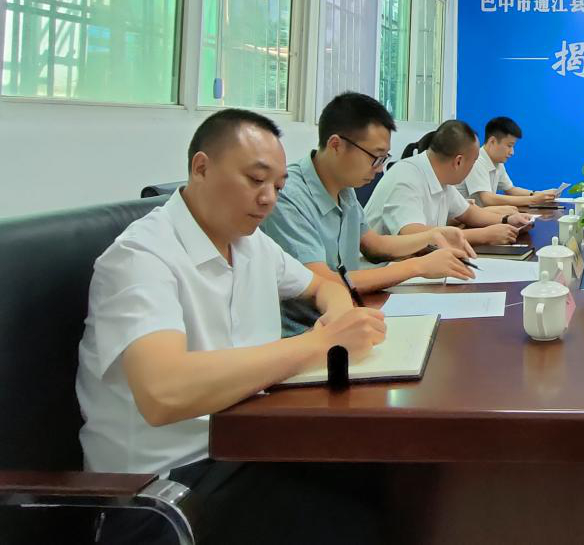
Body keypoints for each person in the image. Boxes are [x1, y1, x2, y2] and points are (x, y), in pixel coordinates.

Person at [77, 109, 390, 545]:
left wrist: (338, 314)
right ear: (201, 167)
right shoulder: (141, 258)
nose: (268, 199)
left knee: (390, 475)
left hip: (243, 446)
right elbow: (164, 392)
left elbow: (323, 286)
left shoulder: (251, 243)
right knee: (355, 517)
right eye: (255, 180)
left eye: (278, 187)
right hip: (162, 492)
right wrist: (319, 343)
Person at [261, 92, 476, 336]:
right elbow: (323, 281)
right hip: (305, 332)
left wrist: (433, 235)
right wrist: (417, 266)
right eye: (375, 157)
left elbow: (374, 245)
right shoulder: (288, 196)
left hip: (351, 316)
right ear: (336, 145)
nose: (380, 168)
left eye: (384, 158)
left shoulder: (345, 188)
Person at [364, 118, 533, 245]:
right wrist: (482, 235)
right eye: (473, 161)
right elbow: (413, 234)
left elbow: (468, 213)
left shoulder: (441, 178)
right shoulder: (406, 176)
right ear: (458, 161)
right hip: (380, 270)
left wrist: (507, 220)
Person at [459, 116, 558, 208]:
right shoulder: (477, 160)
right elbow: (488, 199)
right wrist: (533, 200)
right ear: (492, 141)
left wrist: (538, 194)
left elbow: (510, 190)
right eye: (509, 146)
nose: (512, 152)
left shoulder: (497, 162)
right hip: (462, 218)